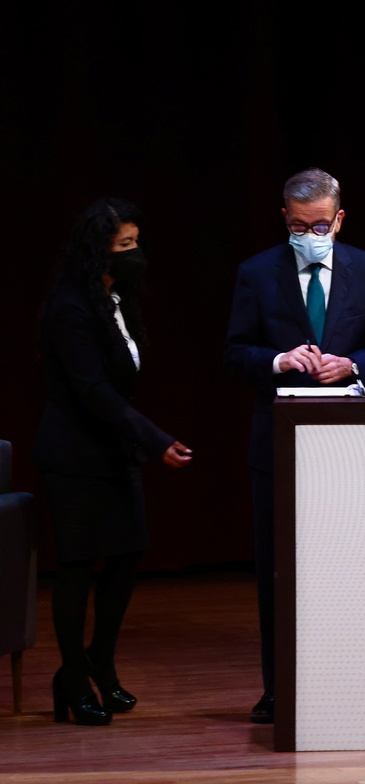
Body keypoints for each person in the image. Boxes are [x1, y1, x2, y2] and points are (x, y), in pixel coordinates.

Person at [224, 168, 365, 723]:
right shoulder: (257, 272)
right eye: (299, 226)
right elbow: (235, 353)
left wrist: (353, 365)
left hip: (349, 449)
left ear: (339, 219)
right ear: (285, 219)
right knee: (277, 571)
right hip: (276, 446)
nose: (310, 235)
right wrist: (279, 362)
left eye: (320, 225)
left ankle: (350, 686)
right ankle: (278, 690)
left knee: (351, 571)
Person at [34, 198, 193, 726]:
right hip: (74, 455)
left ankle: (98, 660)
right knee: (78, 567)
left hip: (113, 451)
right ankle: (72, 679)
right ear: (96, 250)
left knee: (126, 557)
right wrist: (155, 440)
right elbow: (92, 391)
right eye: (125, 245)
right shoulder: (70, 307)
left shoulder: (116, 300)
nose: (135, 254)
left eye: (136, 243)